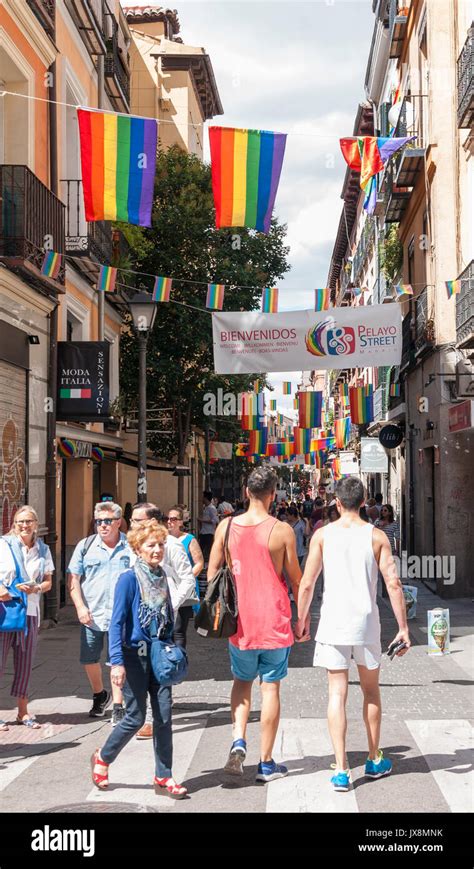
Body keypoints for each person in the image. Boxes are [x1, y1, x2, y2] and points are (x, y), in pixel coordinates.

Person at [298, 476, 410, 792]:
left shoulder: (321, 536)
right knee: (371, 691)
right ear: (363, 503)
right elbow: (393, 584)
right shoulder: (376, 537)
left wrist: (301, 619)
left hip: (333, 622)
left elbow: (307, 583)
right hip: (366, 624)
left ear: (336, 502)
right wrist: (403, 628)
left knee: (336, 693)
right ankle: (374, 758)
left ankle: (342, 769)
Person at [208, 465, 309, 783]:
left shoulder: (226, 527)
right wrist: (302, 619)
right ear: (272, 494)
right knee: (271, 688)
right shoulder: (281, 531)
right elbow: (297, 581)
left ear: (245, 492)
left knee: (241, 682)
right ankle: (266, 763)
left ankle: (239, 739)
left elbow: (211, 575)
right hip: (274, 622)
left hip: (240, 624)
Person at [90, 519, 187, 798]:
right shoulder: (128, 580)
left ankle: (163, 776)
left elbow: (168, 618)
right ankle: (103, 757)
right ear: (138, 548)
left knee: (164, 716)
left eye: (160, 545)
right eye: (151, 545)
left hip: (159, 656)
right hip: (134, 657)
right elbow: (117, 623)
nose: (157, 550)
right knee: (134, 717)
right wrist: (116, 662)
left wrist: (172, 649)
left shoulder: (163, 578)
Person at [130, 502, 196, 739]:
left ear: (152, 520)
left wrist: (171, 604)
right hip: (140, 616)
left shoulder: (173, 545)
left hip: (163, 618)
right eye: (132, 520)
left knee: (158, 663)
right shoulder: (134, 545)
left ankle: (153, 719)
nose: (132, 524)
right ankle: (141, 714)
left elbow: (187, 579)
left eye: (137, 520)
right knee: (139, 665)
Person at [68, 501, 133, 726]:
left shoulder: (130, 545)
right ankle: (99, 694)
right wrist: (80, 607)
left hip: (121, 614)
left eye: (107, 521)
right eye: (98, 522)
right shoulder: (85, 546)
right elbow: (74, 579)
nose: (103, 526)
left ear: (118, 522)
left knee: (117, 659)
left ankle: (118, 705)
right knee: (89, 658)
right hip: (92, 613)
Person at [0, 506, 54, 730]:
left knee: (25, 664)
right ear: (14, 523)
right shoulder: (3, 545)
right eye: (21, 521)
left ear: (36, 523)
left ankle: (23, 712)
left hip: (30, 613)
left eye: (29, 521)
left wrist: (37, 588)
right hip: (5, 612)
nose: (25, 525)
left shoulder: (43, 549)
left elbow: (48, 581)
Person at [198, 491, 219, 562]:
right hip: (203, 532)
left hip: (209, 533)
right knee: (201, 550)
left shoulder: (212, 508)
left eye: (203, 497)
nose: (201, 499)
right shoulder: (206, 508)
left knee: (209, 551)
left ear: (205, 498)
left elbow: (215, 520)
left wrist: (202, 520)